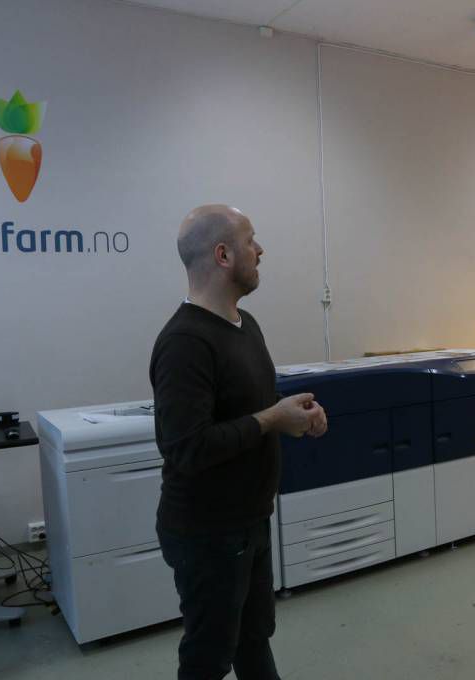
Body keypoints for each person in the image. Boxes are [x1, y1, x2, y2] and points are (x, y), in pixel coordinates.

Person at [150, 204, 328, 680]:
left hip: (250, 518)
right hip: (207, 532)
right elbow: (187, 448)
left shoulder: (245, 325)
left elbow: (254, 405)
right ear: (223, 254)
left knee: (254, 637)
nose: (260, 250)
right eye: (251, 240)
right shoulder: (185, 342)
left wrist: (297, 413)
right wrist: (272, 418)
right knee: (208, 658)